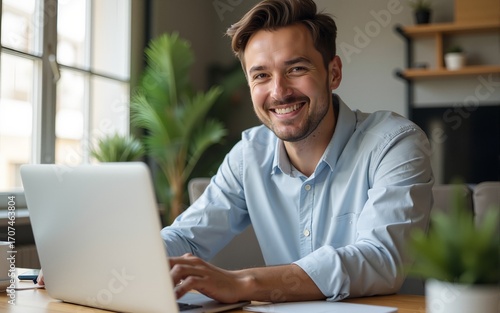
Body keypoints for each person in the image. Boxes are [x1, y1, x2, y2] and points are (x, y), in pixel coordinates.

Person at [163, 0, 434, 304]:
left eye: (296, 68)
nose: (278, 91)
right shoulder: (247, 157)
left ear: (333, 73)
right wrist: (131, 262)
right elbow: (185, 238)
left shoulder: (394, 143)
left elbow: (380, 259)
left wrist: (243, 282)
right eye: (261, 75)